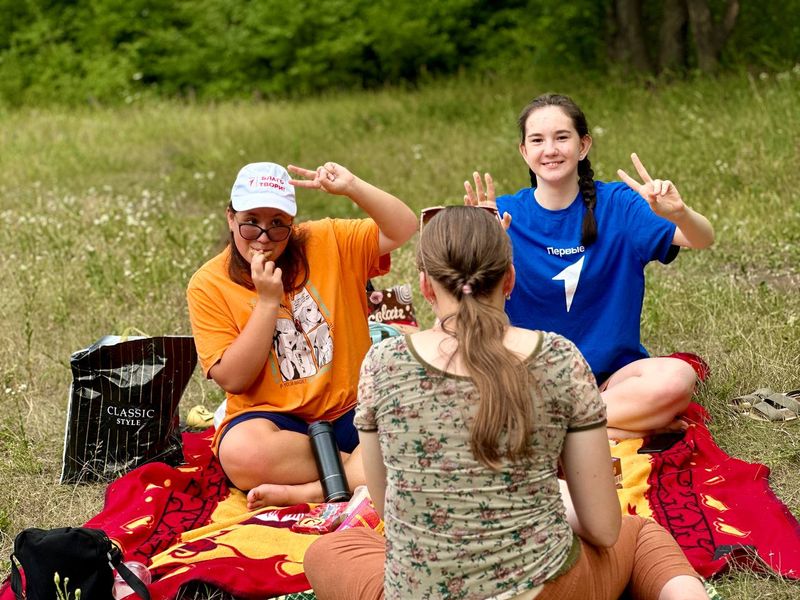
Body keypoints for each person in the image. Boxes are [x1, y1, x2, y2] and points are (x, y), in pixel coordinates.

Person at [303, 206, 707, 600]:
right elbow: (603, 529)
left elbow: (391, 507)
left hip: (421, 590)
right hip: (548, 588)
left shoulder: (382, 363)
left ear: (426, 287)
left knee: (328, 552)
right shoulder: (558, 358)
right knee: (641, 537)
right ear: (510, 279)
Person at [464, 93, 715, 438]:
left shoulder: (619, 203)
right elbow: (466, 307)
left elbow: (702, 239)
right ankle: (616, 429)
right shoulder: (500, 215)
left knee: (677, 378)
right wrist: (483, 248)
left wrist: (680, 214)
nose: (550, 149)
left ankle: (554, 431)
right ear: (524, 151)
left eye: (562, 137)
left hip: (612, 380)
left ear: (583, 146)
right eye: (537, 140)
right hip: (529, 381)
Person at [187, 161, 417, 508]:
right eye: (251, 223)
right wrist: (267, 303)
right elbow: (234, 379)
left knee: (421, 424)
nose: (264, 237)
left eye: (277, 225)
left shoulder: (328, 239)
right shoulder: (208, 283)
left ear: (292, 225)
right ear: (231, 218)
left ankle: (311, 490)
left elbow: (404, 228)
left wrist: (352, 186)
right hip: (276, 423)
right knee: (240, 453)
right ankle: (360, 470)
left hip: (351, 407)